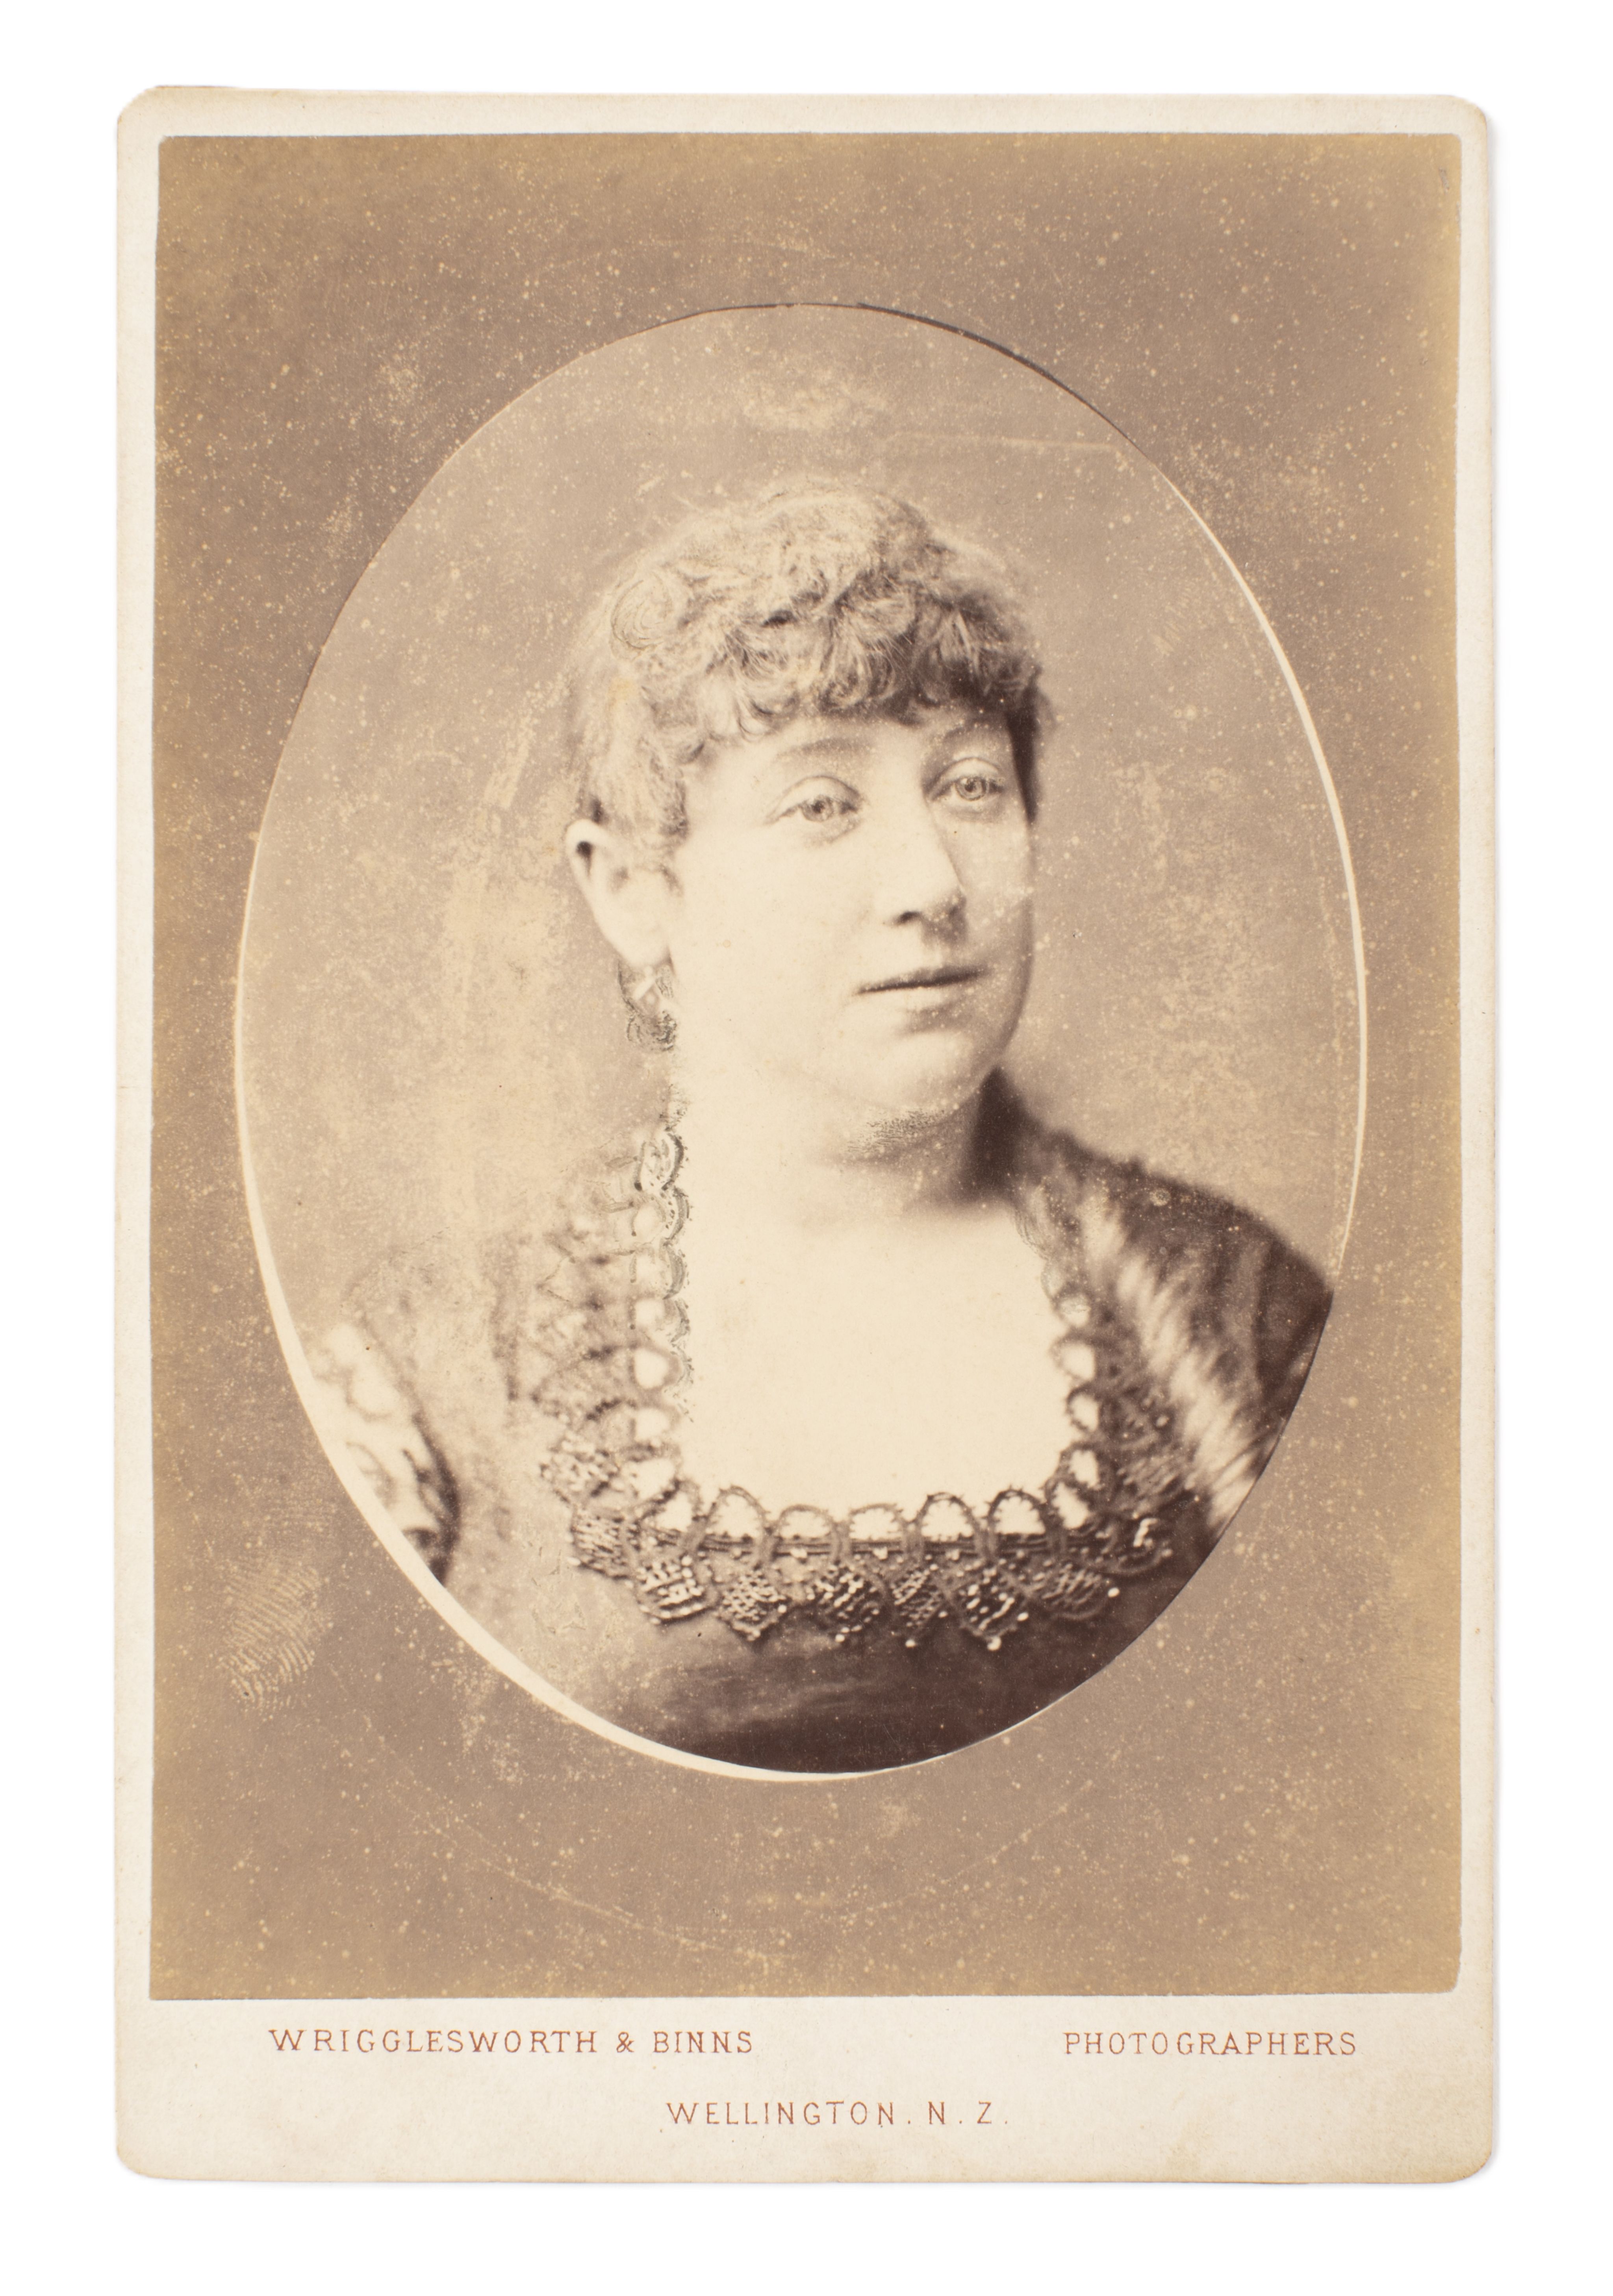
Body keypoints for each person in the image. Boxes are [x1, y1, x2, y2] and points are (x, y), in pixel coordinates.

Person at [312, 481, 1330, 1773]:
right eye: (821, 805)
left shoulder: (1242, 1327)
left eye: (969, 785)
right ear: (633, 894)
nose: (930, 885)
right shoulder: (432, 1378)